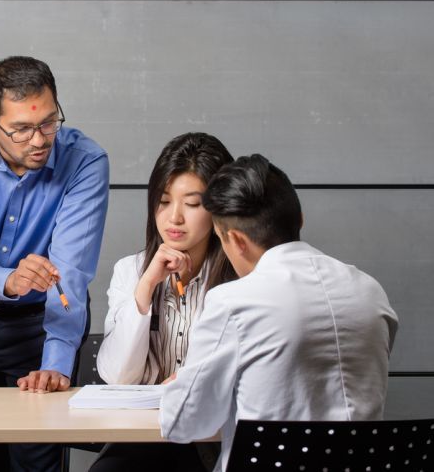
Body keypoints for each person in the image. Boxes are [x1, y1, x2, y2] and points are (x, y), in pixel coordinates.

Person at [159, 154, 399, 472]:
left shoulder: (234, 302)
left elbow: (181, 424)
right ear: (299, 219)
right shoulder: (371, 292)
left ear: (236, 240)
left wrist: (183, 383)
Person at [0, 55, 109, 471]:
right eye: (22, 129)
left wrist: (56, 361)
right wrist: (10, 279)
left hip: (43, 324)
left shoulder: (85, 161)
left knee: (38, 461)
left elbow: (71, 272)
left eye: (49, 122)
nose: (40, 140)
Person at [91, 133, 236, 472]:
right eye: (164, 200)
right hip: (143, 436)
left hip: (212, 438)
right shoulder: (130, 270)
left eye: (192, 203)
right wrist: (147, 286)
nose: (174, 218)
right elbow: (118, 377)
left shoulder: (240, 278)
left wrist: (192, 382)